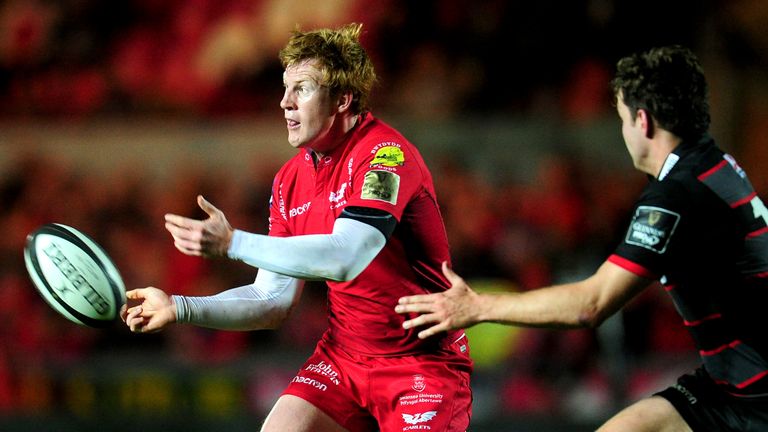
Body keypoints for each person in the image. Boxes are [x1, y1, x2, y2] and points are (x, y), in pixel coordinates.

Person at [396, 45, 768, 431]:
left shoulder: (675, 194)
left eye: (622, 118)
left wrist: (475, 308)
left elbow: (591, 304)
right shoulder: (715, 163)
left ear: (642, 121)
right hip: (727, 387)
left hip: (755, 398)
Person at [121, 23, 472, 432]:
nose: (285, 102)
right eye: (285, 88)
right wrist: (180, 307)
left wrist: (234, 242)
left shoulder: (386, 157)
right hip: (343, 359)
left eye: (301, 89)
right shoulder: (289, 180)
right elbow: (272, 300)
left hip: (420, 365)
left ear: (342, 99)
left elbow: (347, 256)